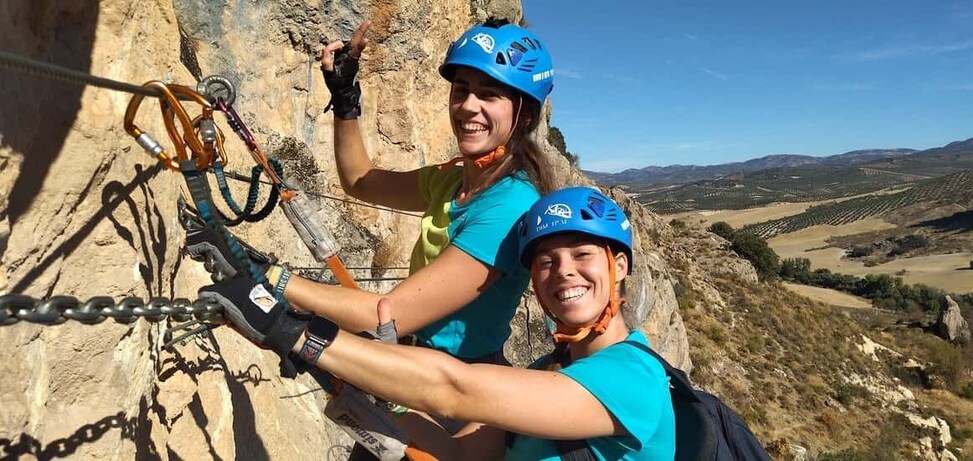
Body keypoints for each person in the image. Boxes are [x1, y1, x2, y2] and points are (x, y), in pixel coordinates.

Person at [199, 187, 677, 460]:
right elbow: (459, 456)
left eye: (582, 254)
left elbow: (456, 390)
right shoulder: (543, 373)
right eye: (546, 262)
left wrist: (293, 331)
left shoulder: (634, 377)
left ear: (619, 266)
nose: (564, 271)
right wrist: (378, 384)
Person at [189, 18, 556, 365]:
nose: (467, 106)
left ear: (523, 114)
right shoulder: (454, 179)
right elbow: (360, 180)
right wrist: (346, 98)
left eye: (489, 95)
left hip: (455, 384)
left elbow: (389, 315)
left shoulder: (512, 204)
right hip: (412, 359)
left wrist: (269, 275)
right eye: (461, 90)